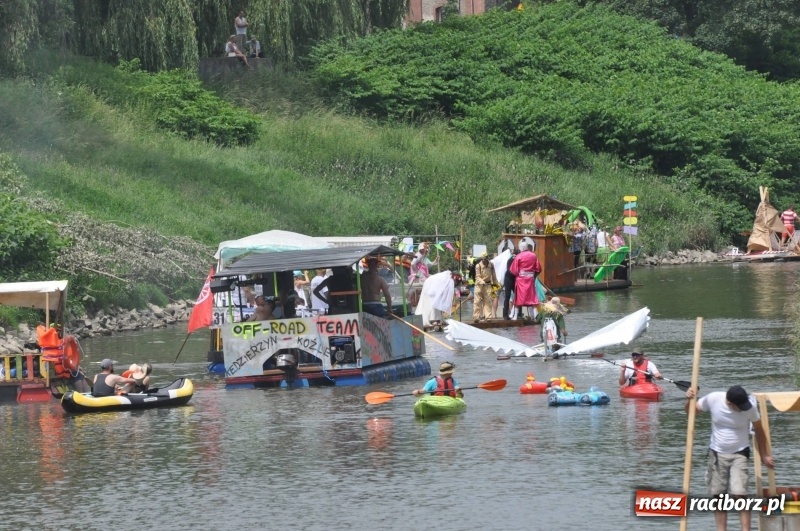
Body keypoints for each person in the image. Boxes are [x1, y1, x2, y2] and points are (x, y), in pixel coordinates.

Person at [685, 385, 774, 531]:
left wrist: (764, 455)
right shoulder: (714, 399)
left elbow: (759, 429)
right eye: (740, 406)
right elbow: (691, 412)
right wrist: (689, 399)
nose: (744, 408)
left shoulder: (749, 408)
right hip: (717, 454)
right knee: (719, 496)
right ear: (729, 403)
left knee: (740, 494)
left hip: (740, 453)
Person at [509, 241, 542, 320]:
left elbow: (513, 270)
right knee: (532, 298)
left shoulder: (518, 256)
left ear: (522, 248)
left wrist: (519, 274)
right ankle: (534, 316)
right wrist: (534, 276)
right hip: (530, 279)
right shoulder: (533, 256)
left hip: (521, 279)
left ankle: (515, 316)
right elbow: (538, 268)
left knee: (518, 298)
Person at [472, 252, 499, 323]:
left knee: (488, 301)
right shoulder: (478, 266)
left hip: (488, 285)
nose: (483, 260)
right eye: (482, 259)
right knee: (477, 302)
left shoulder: (491, 265)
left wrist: (496, 285)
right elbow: (477, 277)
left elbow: (494, 276)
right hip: (479, 285)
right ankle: (476, 317)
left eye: (485, 259)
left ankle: (488, 317)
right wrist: (482, 281)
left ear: (487, 258)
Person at [502, 248, 519, 320]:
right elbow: (509, 270)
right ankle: (506, 314)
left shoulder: (517, 259)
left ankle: (517, 314)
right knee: (508, 295)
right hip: (509, 278)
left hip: (513, 278)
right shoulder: (511, 260)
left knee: (517, 296)